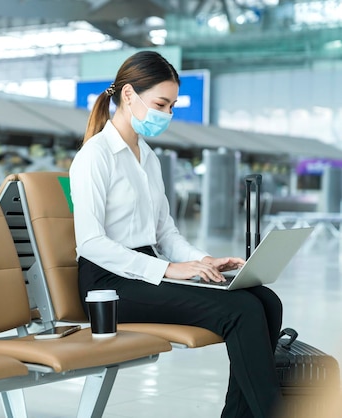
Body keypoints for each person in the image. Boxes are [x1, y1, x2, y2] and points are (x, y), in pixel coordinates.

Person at [69, 50, 283, 418]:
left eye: (172, 106)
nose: (167, 115)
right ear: (129, 95)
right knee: (241, 311)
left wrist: (200, 261)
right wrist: (169, 270)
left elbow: (166, 232)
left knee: (265, 300)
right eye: (161, 103)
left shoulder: (147, 157)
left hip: (145, 272)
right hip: (107, 283)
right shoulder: (95, 156)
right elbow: (90, 243)